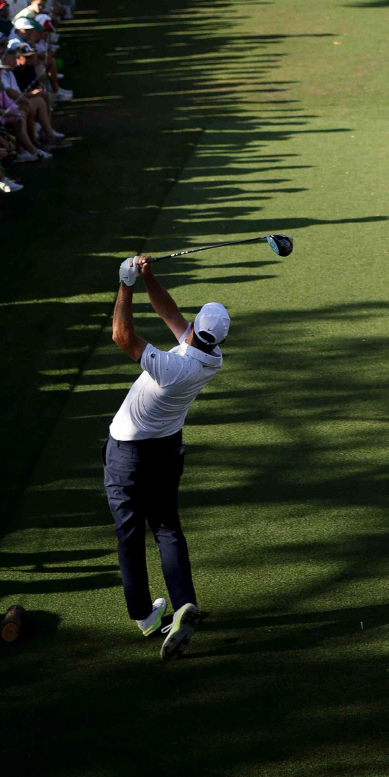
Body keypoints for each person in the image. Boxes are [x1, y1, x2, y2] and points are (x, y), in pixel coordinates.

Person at [104, 255, 231, 661]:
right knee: (165, 527)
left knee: (129, 532)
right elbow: (170, 313)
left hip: (129, 453)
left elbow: (123, 337)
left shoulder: (173, 366)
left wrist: (125, 285)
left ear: (196, 329)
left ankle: (143, 615)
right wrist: (149, 279)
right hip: (167, 449)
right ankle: (183, 603)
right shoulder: (211, 357)